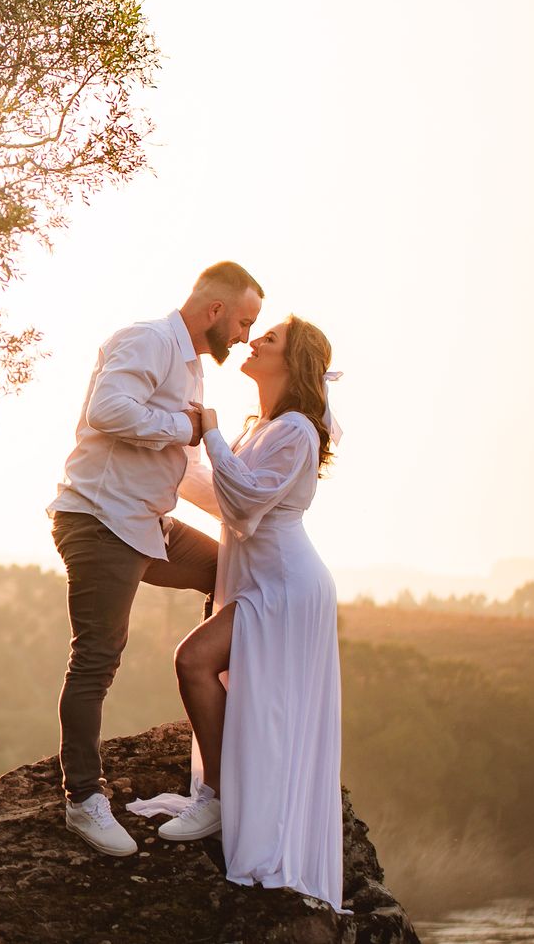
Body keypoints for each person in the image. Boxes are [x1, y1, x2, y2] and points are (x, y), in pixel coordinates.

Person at [128, 315, 345, 910]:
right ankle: (229, 797)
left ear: (293, 362)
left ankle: (220, 797)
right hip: (261, 580)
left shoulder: (298, 430)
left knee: (195, 660)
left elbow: (245, 507)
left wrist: (215, 431)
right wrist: (173, 445)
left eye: (267, 338)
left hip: (285, 586)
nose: (252, 341)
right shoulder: (268, 428)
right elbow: (219, 494)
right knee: (246, 693)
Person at [49, 261, 265, 856]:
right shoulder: (146, 339)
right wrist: (184, 427)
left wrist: (249, 516)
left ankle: (213, 729)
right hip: (100, 520)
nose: (247, 335)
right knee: (97, 658)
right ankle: (84, 802)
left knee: (234, 571)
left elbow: (184, 463)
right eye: (245, 321)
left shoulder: (192, 366)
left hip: (148, 523)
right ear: (215, 311)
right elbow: (109, 411)